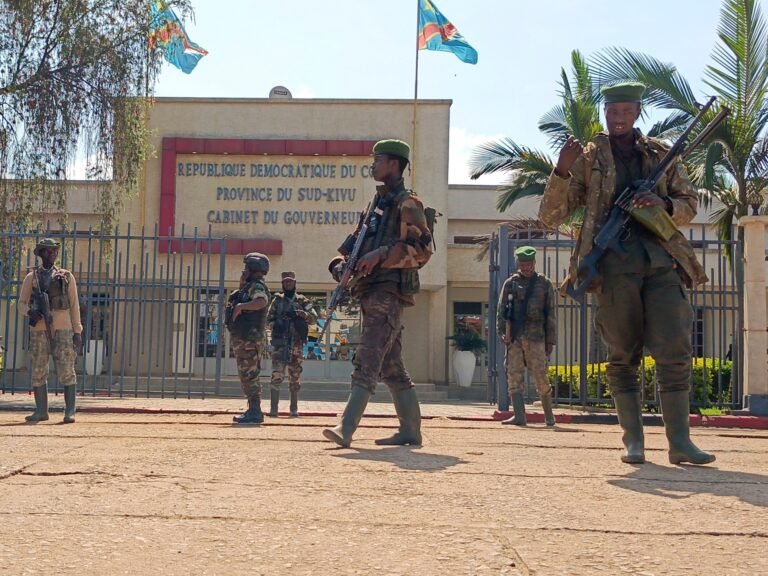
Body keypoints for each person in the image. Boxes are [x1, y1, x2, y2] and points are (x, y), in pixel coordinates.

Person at [539, 81, 715, 465]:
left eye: (625, 111)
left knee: (674, 349)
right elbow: (552, 216)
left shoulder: (660, 154)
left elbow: (689, 203)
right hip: (614, 269)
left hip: (662, 261)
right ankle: (633, 441)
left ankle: (680, 443)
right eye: (611, 111)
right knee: (622, 355)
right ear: (605, 113)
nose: (617, 118)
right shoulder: (589, 158)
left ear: (637, 113)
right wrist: (561, 172)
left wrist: (662, 202)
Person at [322, 139, 433, 448]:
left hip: (389, 291)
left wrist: (383, 254)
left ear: (394, 164)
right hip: (368, 290)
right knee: (391, 366)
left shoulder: (407, 204)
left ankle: (346, 428)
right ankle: (410, 430)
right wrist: (340, 267)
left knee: (369, 357)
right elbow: (352, 248)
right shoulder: (376, 206)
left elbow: (425, 249)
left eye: (378, 159)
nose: (373, 165)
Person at [19, 238, 83, 423]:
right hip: (39, 329)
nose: (52, 254)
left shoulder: (66, 276)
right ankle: (41, 411)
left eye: (54, 251)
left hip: (63, 328)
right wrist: (31, 311)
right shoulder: (32, 278)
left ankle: (69, 411)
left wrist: (77, 331)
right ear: (40, 254)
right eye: (47, 251)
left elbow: (74, 305)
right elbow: (21, 304)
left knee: (66, 369)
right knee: (39, 368)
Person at [497, 246, 557, 427]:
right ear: (518, 264)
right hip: (515, 337)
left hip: (536, 336)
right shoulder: (510, 283)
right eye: (523, 264)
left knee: (540, 375)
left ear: (534, 263)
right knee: (514, 375)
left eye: (529, 264)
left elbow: (550, 314)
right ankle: (519, 416)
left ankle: (548, 416)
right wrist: (503, 333)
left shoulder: (544, 284)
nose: (526, 267)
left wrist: (550, 341)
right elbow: (501, 311)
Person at [225, 252, 271, 425]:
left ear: (253, 268)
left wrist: (241, 307)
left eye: (246, 267)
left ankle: (255, 411)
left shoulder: (256, 286)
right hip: (245, 338)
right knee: (246, 374)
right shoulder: (248, 286)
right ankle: (252, 409)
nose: (243, 270)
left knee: (250, 374)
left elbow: (261, 301)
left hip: (250, 339)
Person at [266, 271, 317, 417]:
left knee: (295, 376)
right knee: (277, 375)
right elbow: (268, 320)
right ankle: (273, 409)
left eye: (290, 281)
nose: (288, 284)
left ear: (295, 282)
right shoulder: (277, 301)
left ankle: (293, 409)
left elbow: (313, 319)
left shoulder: (302, 300)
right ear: (282, 284)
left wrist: (302, 315)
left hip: (296, 344)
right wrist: (277, 324)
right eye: (285, 282)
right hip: (280, 343)